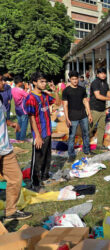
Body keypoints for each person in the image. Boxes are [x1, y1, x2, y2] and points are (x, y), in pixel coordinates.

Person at [0, 74, 33, 222]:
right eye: (0, 80)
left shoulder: (0, 98)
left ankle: (10, 211)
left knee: (16, 178)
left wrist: (10, 123)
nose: (4, 82)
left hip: (6, 148)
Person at [25, 72, 55, 192]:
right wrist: (37, 136)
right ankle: (35, 183)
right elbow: (31, 118)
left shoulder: (45, 95)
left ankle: (45, 176)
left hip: (48, 131)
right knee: (37, 160)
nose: (44, 84)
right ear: (34, 82)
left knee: (47, 157)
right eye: (41, 81)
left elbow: (57, 102)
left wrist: (54, 91)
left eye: (45, 81)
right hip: (39, 133)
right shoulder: (31, 98)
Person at [63, 71, 94, 163]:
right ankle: (71, 154)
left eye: (76, 79)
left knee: (86, 134)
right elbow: (65, 105)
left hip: (83, 115)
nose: (75, 81)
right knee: (72, 136)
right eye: (72, 79)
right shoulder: (66, 91)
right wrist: (67, 118)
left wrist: (89, 114)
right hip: (72, 117)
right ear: (69, 79)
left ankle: (87, 150)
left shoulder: (82, 89)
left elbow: (85, 101)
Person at [11, 75, 29, 141]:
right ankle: (22, 139)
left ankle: (17, 138)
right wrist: (27, 89)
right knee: (24, 125)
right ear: (19, 83)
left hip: (17, 109)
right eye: (21, 82)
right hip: (23, 109)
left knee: (19, 123)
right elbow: (28, 96)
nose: (22, 83)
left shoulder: (13, 89)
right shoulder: (20, 90)